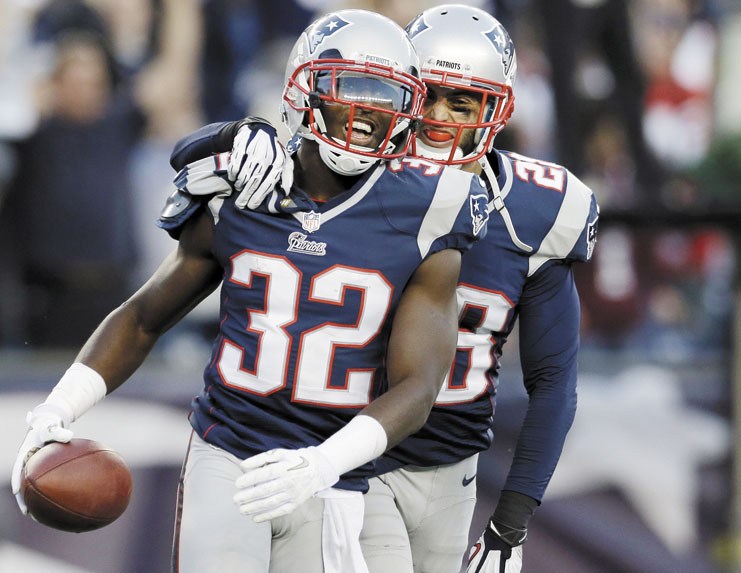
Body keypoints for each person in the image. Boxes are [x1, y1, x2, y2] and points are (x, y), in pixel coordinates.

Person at [11, 9, 490, 573]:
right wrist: (59, 407)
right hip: (229, 449)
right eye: (352, 88)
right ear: (304, 89)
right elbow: (144, 317)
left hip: (336, 469)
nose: (368, 112)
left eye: (388, 95)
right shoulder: (241, 189)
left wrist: (323, 463)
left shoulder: (429, 211)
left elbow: (419, 385)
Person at [170, 6, 598, 572]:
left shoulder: (537, 210)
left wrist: (510, 526)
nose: (438, 117)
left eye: (462, 101)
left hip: (454, 468)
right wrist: (237, 133)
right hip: (358, 457)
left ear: (497, 110)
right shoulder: (353, 174)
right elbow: (198, 158)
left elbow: (553, 384)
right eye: (427, 97)